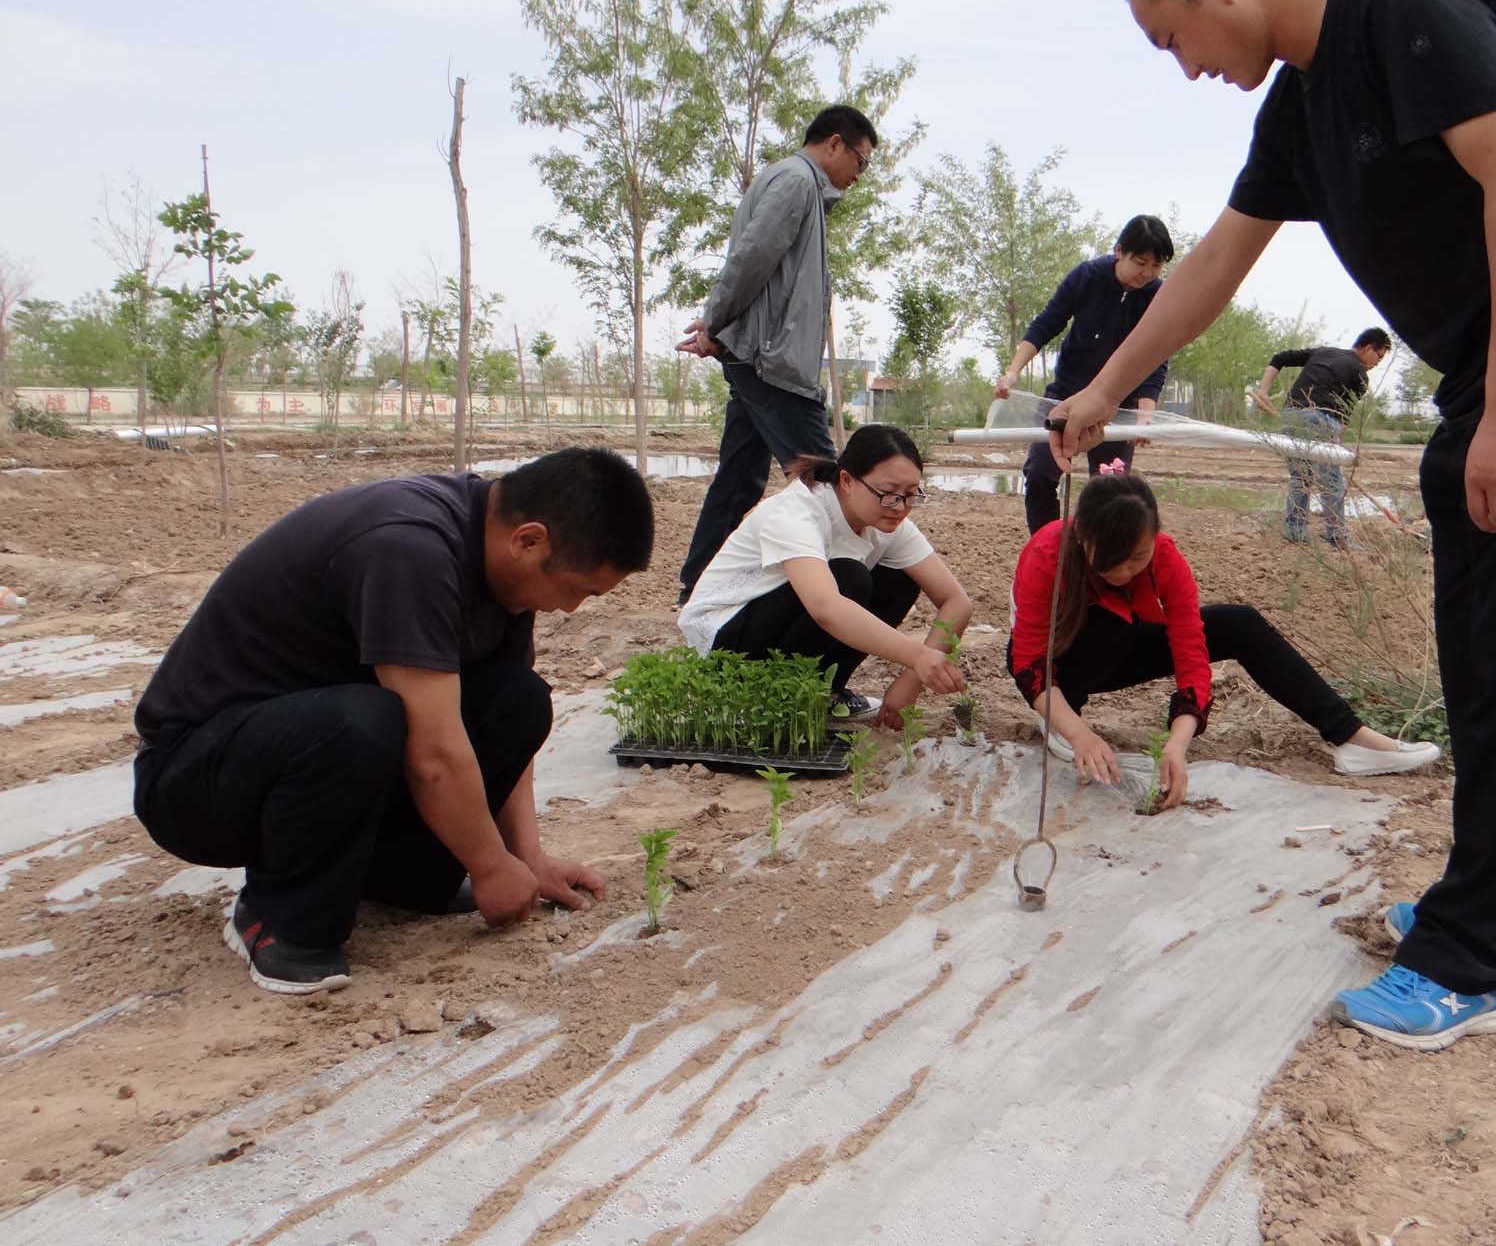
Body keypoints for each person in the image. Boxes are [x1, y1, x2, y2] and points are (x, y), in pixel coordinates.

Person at [1049, 0, 1496, 1050]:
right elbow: (1215, 264)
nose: (1187, 70)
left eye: (1174, 39)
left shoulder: (1407, 14)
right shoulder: (1300, 106)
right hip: (1491, 385)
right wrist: (1105, 391)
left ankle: (1479, 966)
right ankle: (1481, 912)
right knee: (1481, 664)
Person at [132, 449, 655, 995]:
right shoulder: (409, 548)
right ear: (528, 540)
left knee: (517, 699)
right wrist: (488, 865)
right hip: (194, 779)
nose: (570, 609)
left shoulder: (502, 577)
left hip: (305, 755)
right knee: (362, 720)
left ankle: (397, 882)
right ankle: (278, 917)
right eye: (576, 590)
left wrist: (525, 858)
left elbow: (493, 730)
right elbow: (434, 754)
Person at [1009, 472, 1439, 808]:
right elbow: (1027, 659)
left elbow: (1190, 651)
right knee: (1107, 626)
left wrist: (1178, 743)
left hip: (1123, 646)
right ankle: (1062, 720)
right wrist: (1081, 735)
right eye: (1111, 562)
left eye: (1137, 558)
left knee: (1239, 623)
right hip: (1064, 666)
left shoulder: (1164, 557)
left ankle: (1353, 738)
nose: (1125, 572)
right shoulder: (1049, 553)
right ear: (1083, 538)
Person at [675, 104, 880, 604]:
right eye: (861, 161)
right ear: (834, 143)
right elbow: (750, 260)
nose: (859, 175)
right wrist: (715, 322)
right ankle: (841, 594)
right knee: (830, 483)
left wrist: (721, 328)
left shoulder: (796, 184)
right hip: (773, 364)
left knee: (738, 480)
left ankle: (698, 590)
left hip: (760, 357)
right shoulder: (796, 182)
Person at [678, 424, 970, 726]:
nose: (900, 507)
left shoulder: (889, 523)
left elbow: (956, 602)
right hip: (725, 641)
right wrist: (917, 656)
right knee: (848, 578)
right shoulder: (797, 512)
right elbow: (824, 607)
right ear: (847, 480)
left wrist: (910, 681)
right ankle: (758, 698)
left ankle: (824, 693)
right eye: (888, 494)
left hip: (779, 625)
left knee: (901, 579)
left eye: (910, 495)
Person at [994, 215, 1175, 532]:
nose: (1147, 273)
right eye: (1140, 262)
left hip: (1116, 404)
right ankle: (1047, 547)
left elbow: (1155, 360)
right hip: (1066, 396)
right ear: (1119, 251)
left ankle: (1097, 553)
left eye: (1156, 265)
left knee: (1111, 492)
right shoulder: (1088, 277)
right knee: (1039, 473)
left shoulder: (1158, 296)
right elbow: (1046, 323)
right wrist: (1012, 372)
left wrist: (1144, 417)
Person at [1254, 327, 1393, 547]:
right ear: (1368, 348)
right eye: (1379, 356)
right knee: (1332, 482)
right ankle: (1337, 536)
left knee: (1301, 477)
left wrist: (1263, 391)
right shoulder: (1360, 376)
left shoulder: (1323, 352)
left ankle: (1296, 532)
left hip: (1291, 415)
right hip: (1320, 419)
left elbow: (1279, 359)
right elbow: (1342, 419)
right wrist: (1337, 447)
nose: (1378, 363)